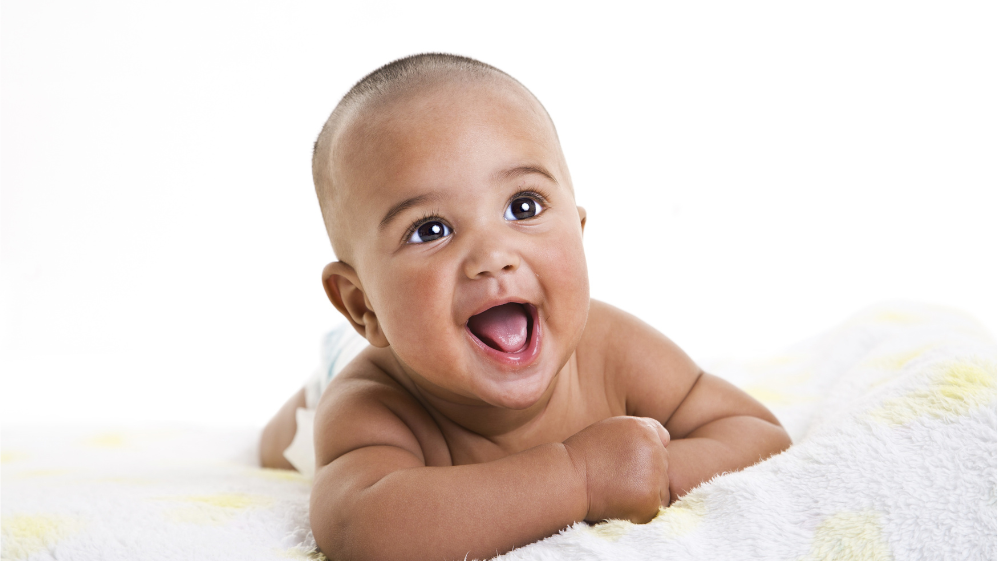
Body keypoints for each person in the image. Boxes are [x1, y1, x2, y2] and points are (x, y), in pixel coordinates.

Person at [259, 53, 791, 561]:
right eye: (430, 230)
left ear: (578, 234)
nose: (493, 258)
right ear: (362, 305)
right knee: (278, 445)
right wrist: (580, 478)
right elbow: (363, 529)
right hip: (342, 371)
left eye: (523, 206)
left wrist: (649, 471)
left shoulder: (613, 349)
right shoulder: (374, 404)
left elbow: (757, 433)